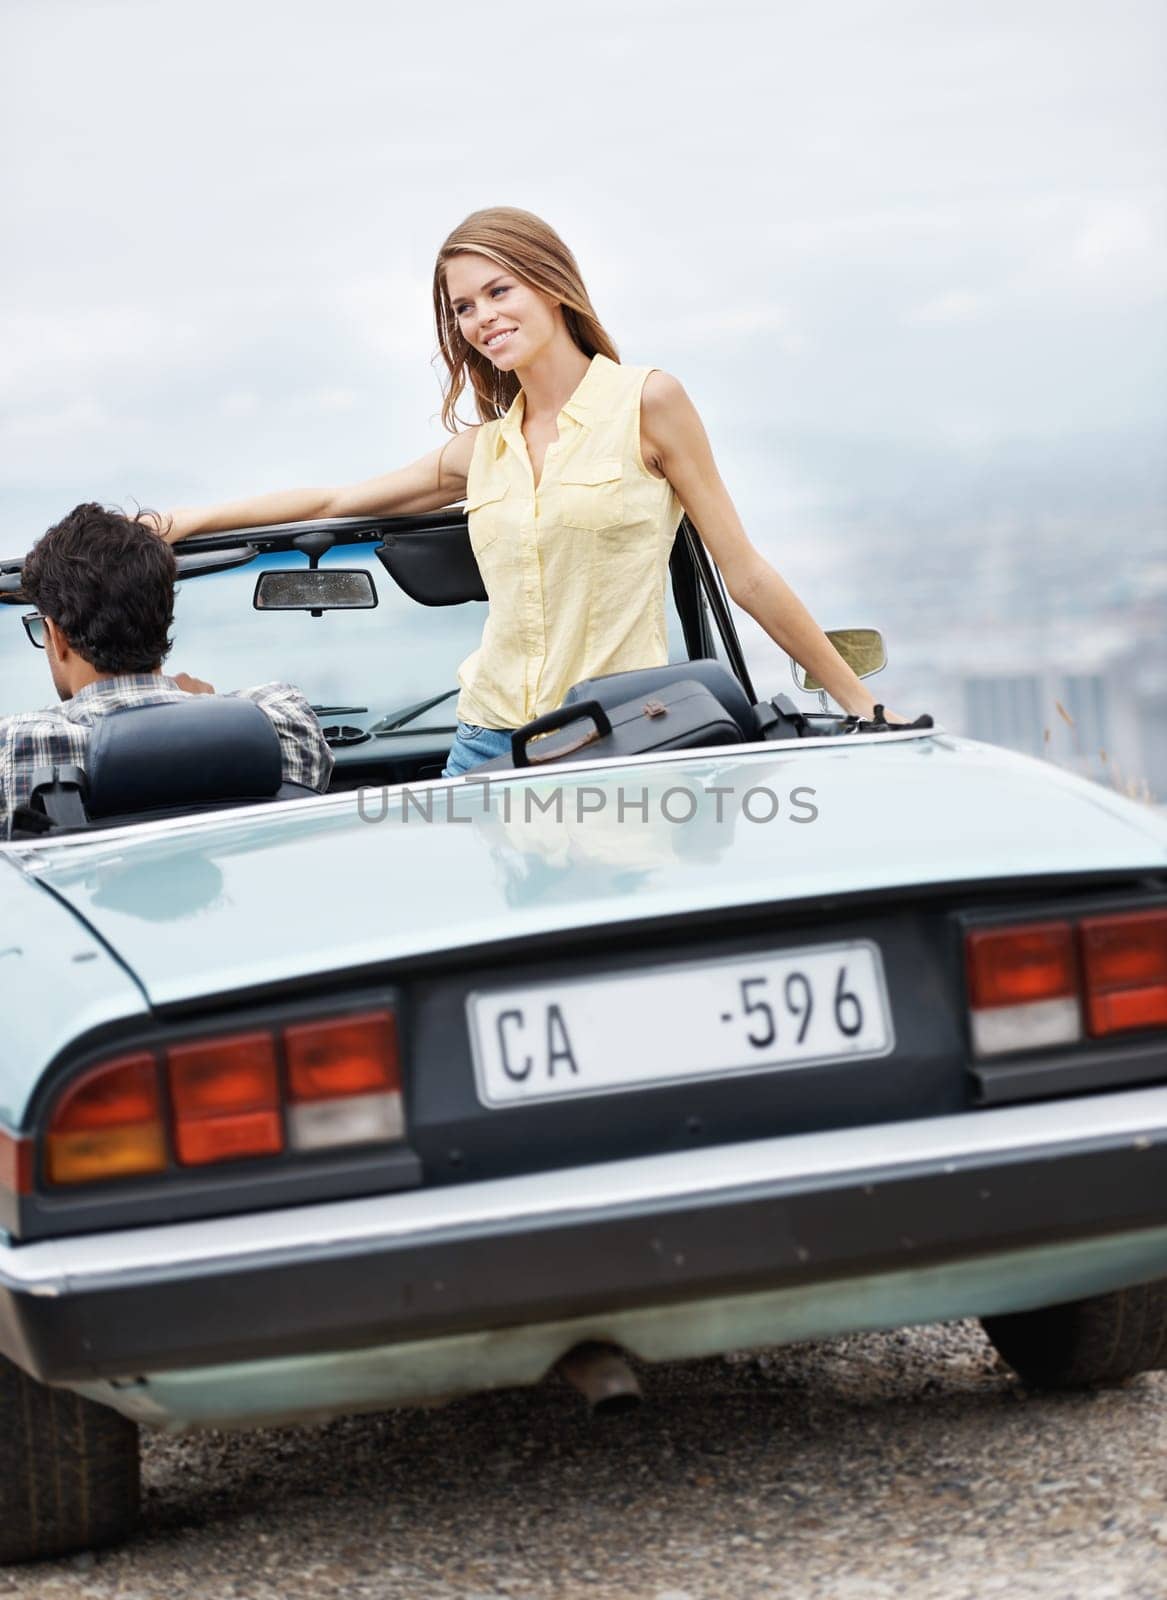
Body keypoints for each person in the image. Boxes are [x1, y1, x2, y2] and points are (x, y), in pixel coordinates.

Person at [152, 206, 908, 776]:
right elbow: (330, 505)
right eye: (462, 308)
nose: (481, 319)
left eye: (496, 290)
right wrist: (180, 521)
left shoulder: (648, 403)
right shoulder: (485, 450)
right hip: (484, 743)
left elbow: (743, 570)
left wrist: (862, 706)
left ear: (551, 285)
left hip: (618, 738)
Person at [0, 503, 333, 831]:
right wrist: (205, 705)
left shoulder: (16, 746)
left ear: (56, 637)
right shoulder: (282, 722)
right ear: (162, 615)